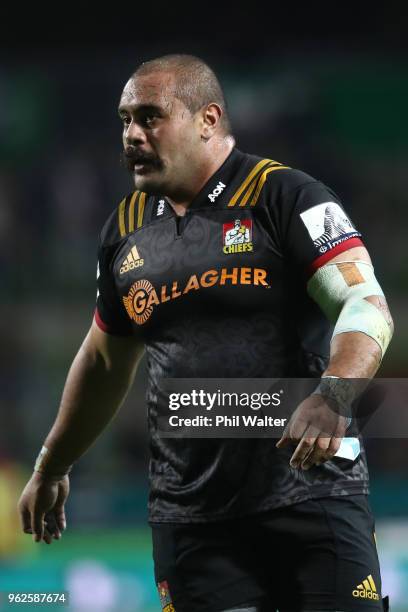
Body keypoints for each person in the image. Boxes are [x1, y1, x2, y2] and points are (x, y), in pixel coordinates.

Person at [18, 54, 393, 612]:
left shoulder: (285, 195)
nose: (132, 135)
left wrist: (334, 394)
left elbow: (365, 306)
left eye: (150, 117)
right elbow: (103, 361)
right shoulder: (124, 230)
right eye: (125, 120)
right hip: (189, 520)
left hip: (310, 495)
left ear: (208, 119)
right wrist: (52, 463)